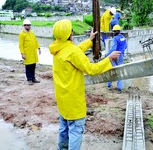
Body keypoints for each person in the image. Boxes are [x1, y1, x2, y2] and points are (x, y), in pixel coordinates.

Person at [49, 19, 121, 150]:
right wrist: (109, 59)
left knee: (64, 129)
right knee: (76, 131)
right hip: (74, 101)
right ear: (70, 33)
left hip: (62, 100)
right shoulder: (72, 51)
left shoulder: (57, 48)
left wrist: (90, 40)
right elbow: (91, 69)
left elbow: (75, 50)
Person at [105, 25, 127, 94]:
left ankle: (109, 85)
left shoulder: (115, 38)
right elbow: (125, 47)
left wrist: (107, 55)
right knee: (120, 72)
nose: (113, 32)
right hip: (121, 56)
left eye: (114, 31)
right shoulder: (123, 38)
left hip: (114, 56)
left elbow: (113, 49)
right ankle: (119, 88)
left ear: (117, 31)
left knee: (111, 69)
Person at [19, 19, 41, 85]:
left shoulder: (32, 32)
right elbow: (21, 45)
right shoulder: (22, 34)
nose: (27, 26)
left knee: (33, 66)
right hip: (27, 53)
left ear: (30, 25)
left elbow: (35, 41)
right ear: (24, 26)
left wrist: (39, 48)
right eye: (26, 25)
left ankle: (33, 78)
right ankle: (29, 79)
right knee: (28, 67)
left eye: (28, 25)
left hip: (33, 53)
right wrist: (22, 53)